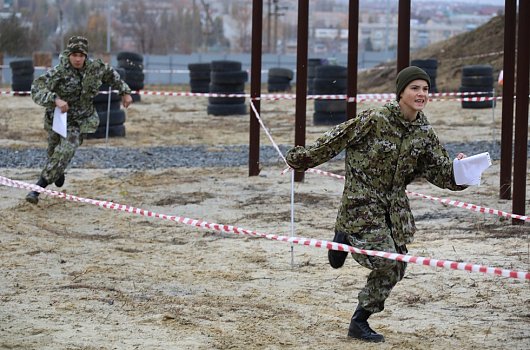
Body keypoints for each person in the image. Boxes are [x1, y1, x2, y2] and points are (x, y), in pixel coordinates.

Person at [285, 66, 467, 343]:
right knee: (385, 259)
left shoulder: (423, 131)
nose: (421, 94)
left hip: (394, 208)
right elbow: (336, 140)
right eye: (414, 88)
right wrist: (302, 159)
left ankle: (359, 321)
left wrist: (461, 171)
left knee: (397, 265)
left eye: (425, 89)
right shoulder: (376, 118)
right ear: (401, 92)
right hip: (362, 202)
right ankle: (345, 232)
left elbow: (439, 171)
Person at [26, 35, 133, 204]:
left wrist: (125, 92)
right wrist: (55, 99)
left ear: (85, 56)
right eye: (74, 55)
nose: (78, 59)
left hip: (80, 120)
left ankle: (37, 189)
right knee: (54, 154)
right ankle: (58, 171)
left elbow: (113, 75)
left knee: (66, 150)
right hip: (58, 119)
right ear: (69, 54)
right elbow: (36, 89)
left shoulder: (95, 68)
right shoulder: (58, 72)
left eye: (81, 55)